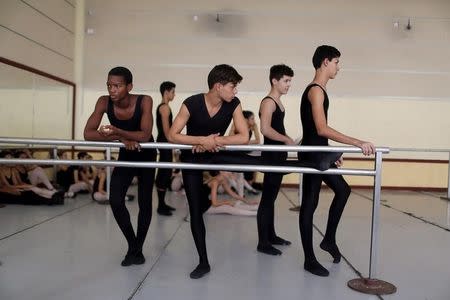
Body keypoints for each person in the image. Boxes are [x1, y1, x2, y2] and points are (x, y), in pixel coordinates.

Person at [168, 64, 253, 279]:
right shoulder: (192, 103)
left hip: (215, 152)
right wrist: (200, 140)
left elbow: (244, 136)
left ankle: (312, 161)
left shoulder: (233, 103)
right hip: (193, 157)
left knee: (255, 159)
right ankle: (203, 261)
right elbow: (172, 134)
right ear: (218, 86)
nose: (235, 91)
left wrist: (214, 141)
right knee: (196, 210)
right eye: (233, 87)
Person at [298, 45, 375, 277]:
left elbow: (314, 131)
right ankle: (309, 259)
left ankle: (328, 239)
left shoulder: (319, 90)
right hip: (312, 154)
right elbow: (320, 129)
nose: (338, 67)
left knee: (343, 190)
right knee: (310, 203)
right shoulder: (316, 91)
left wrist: (332, 153)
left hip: (318, 152)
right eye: (336, 62)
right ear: (325, 62)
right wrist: (356, 142)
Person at [84, 66, 156, 267]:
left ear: (129, 86)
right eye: (109, 85)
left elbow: (144, 134)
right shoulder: (103, 102)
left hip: (147, 153)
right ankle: (133, 246)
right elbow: (88, 133)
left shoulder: (145, 101)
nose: (112, 90)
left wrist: (117, 131)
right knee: (115, 200)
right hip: (126, 151)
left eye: (117, 86)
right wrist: (121, 137)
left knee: (145, 203)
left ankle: (137, 249)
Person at [257, 64, 295, 256]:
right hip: (271, 156)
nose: (289, 85)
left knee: (271, 198)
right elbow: (265, 129)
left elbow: (277, 129)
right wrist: (286, 139)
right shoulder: (269, 102)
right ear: (274, 81)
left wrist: (290, 140)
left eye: (290, 81)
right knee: (267, 199)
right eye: (286, 81)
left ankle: (271, 236)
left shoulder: (278, 102)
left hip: (278, 155)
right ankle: (263, 242)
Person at [155, 81, 177, 216]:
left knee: (165, 172)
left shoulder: (165, 107)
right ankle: (160, 206)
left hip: (166, 142)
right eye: (173, 91)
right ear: (166, 92)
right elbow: (166, 130)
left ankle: (162, 204)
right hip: (165, 142)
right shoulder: (164, 108)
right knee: (164, 172)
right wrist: (173, 142)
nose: (174, 94)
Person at [229, 110, 261, 195]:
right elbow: (230, 138)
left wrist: (244, 142)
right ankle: (244, 192)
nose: (254, 121)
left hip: (243, 149)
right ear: (246, 120)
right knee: (237, 173)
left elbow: (257, 140)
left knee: (239, 173)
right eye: (252, 118)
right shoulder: (236, 124)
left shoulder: (253, 126)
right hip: (235, 150)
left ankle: (244, 191)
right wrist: (242, 142)